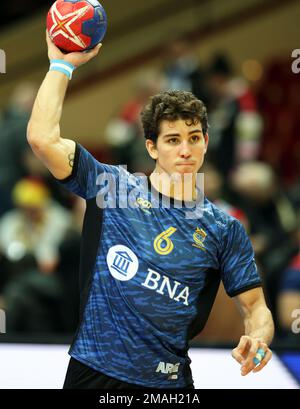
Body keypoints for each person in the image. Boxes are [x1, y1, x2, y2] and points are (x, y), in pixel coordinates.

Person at [26, 33, 274, 389]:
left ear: (206, 142)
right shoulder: (112, 188)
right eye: (173, 140)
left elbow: (255, 308)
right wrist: (62, 65)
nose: (185, 149)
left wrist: (260, 337)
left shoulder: (224, 228)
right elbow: (42, 138)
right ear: (152, 148)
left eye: (194, 137)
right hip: (96, 373)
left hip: (169, 385)